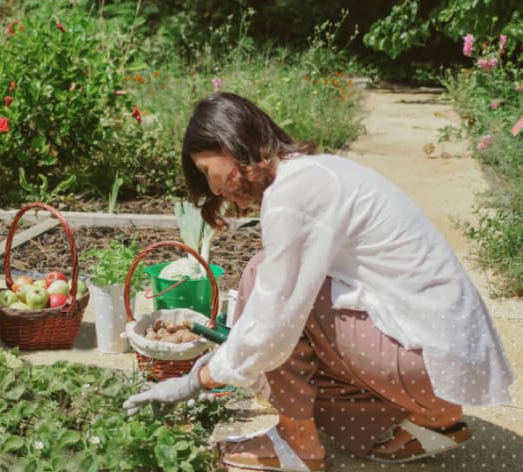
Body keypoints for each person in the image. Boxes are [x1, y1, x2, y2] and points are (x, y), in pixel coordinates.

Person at [123, 92, 514, 471]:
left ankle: (299, 445)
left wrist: (196, 380)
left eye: (209, 171)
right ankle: (434, 417)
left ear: (230, 143)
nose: (213, 188)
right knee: (274, 293)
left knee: (267, 286)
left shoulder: (294, 193)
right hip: (445, 353)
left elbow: (273, 323)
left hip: (430, 358)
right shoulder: (313, 171)